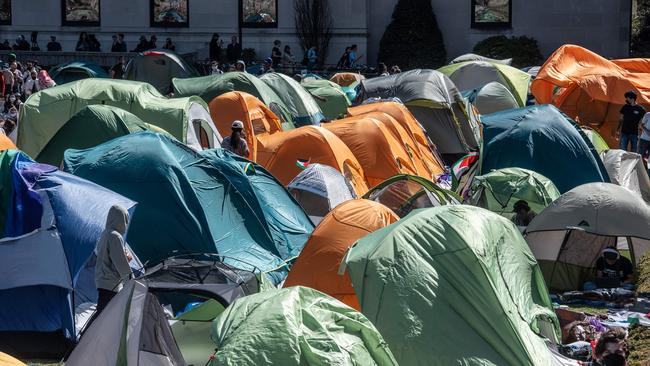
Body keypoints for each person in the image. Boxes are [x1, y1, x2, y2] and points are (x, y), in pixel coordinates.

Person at [95, 205, 134, 314]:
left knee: (101, 316)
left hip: (102, 283)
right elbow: (121, 264)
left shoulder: (105, 234)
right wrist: (132, 283)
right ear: (121, 219)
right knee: (106, 319)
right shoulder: (115, 236)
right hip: (112, 286)